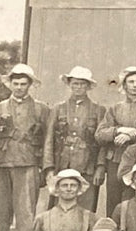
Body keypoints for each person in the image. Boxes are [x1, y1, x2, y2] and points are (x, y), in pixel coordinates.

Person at [0, 63, 50, 231]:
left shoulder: (42, 109)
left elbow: (47, 141)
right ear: (10, 85)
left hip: (28, 165)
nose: (19, 88)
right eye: (15, 84)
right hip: (1, 165)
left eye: (23, 84)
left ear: (30, 85)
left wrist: (46, 167)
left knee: (26, 217)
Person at [43, 66, 106, 211]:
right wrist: (49, 168)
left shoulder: (98, 110)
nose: (78, 87)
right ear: (69, 84)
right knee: (58, 208)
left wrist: (100, 167)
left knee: (86, 209)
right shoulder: (58, 109)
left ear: (88, 86)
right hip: (63, 165)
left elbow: (102, 142)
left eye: (82, 84)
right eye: (75, 83)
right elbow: (49, 140)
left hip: (87, 167)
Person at [95, 66, 136, 216]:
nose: (135, 85)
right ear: (124, 85)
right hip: (116, 160)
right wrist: (119, 130)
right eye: (131, 82)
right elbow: (100, 134)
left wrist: (132, 135)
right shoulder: (115, 109)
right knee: (114, 203)